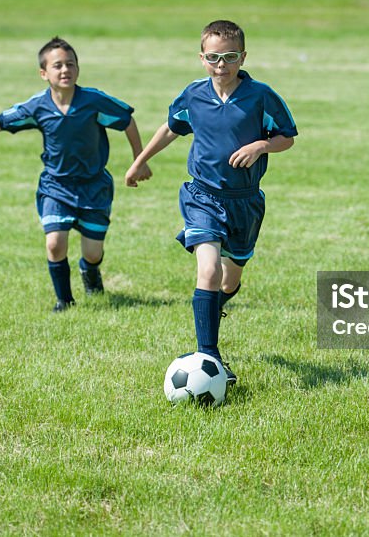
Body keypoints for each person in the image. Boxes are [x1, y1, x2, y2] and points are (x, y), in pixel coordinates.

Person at [124, 20, 297, 385]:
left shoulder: (261, 96)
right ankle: (210, 357)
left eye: (230, 57)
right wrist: (141, 160)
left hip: (245, 202)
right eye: (214, 57)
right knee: (209, 271)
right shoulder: (193, 95)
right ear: (202, 58)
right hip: (201, 195)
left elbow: (287, 137)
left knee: (230, 280)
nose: (222, 65)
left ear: (243, 57)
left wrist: (261, 145)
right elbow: (171, 127)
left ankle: (212, 316)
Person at [0, 37, 149, 312]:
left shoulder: (93, 101)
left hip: (94, 187)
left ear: (78, 69)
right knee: (55, 244)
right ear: (44, 73)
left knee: (92, 252)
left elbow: (127, 120)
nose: (65, 70)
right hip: (56, 186)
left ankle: (89, 271)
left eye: (70, 64)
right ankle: (64, 301)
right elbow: (2, 121)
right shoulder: (38, 106)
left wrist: (138, 160)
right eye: (57, 66)